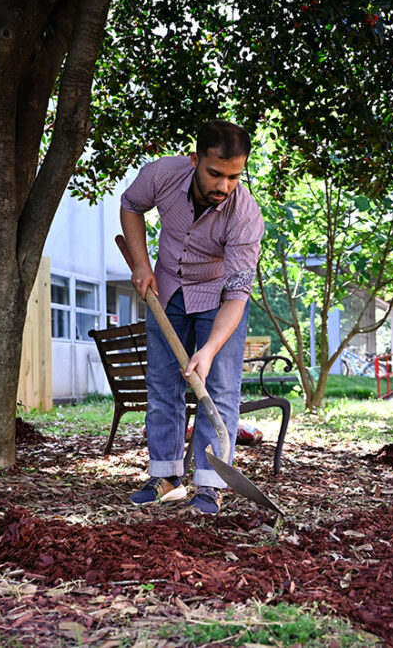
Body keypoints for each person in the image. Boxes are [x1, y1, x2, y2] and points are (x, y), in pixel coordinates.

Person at [120, 120, 264, 515]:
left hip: (219, 297)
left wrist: (211, 348)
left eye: (234, 176)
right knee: (162, 383)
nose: (223, 186)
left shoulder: (245, 217)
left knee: (218, 389)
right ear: (195, 160)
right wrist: (141, 264)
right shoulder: (162, 174)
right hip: (166, 288)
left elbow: (237, 294)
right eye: (215, 173)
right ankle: (166, 477)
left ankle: (209, 484)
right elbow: (131, 207)